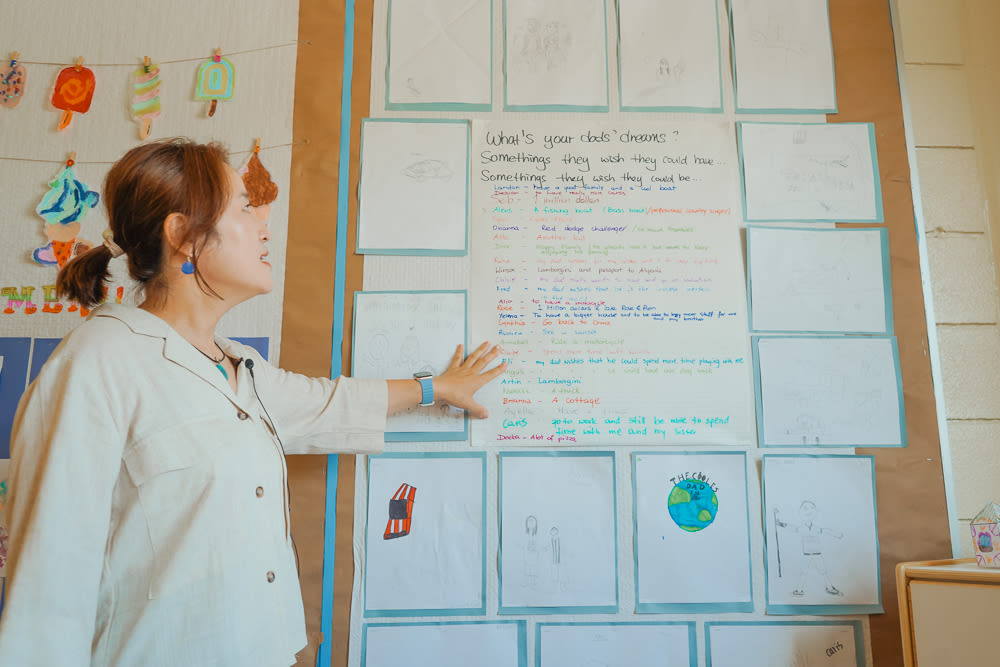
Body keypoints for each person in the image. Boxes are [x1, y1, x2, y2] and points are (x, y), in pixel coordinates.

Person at [0, 139, 505, 666]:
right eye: (244, 208)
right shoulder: (95, 366)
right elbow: (47, 595)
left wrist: (435, 389)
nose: (265, 226)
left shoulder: (237, 365)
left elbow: (327, 404)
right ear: (182, 235)